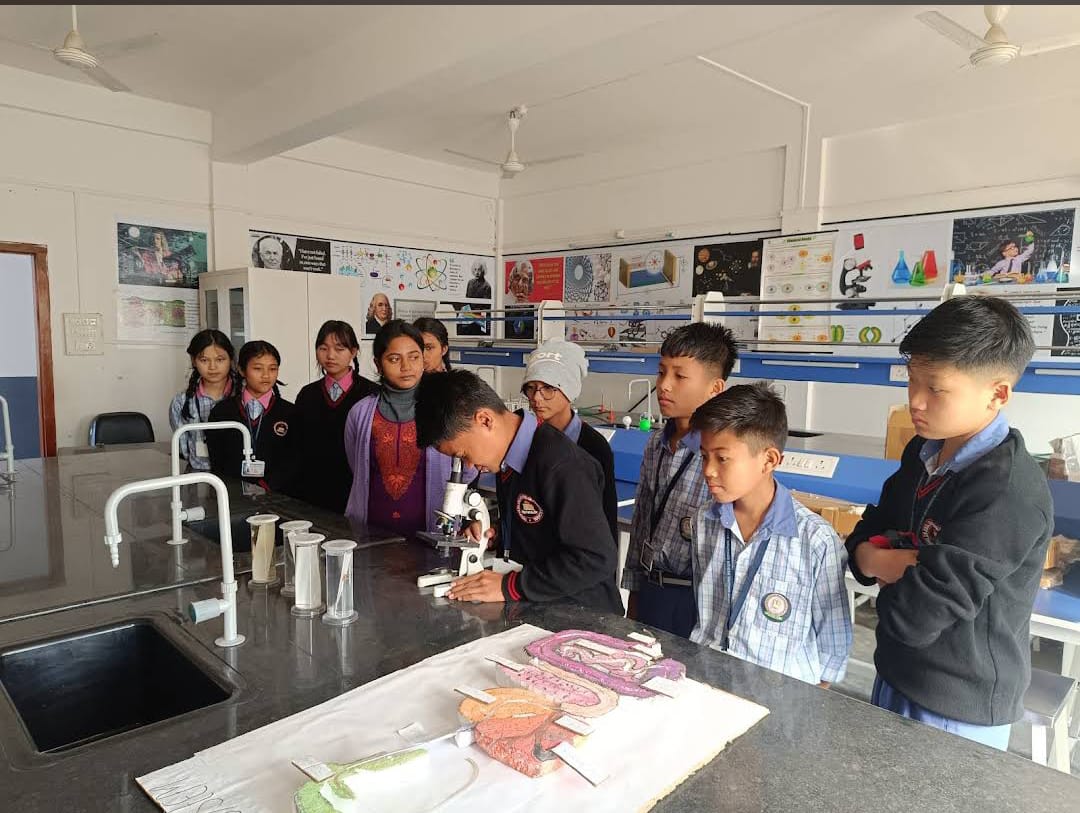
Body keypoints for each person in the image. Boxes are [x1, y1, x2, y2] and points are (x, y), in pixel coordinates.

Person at [846, 295, 1052, 750]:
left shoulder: (1007, 490)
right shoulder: (923, 453)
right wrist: (896, 562)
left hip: (957, 703)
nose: (915, 401)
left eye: (936, 389)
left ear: (998, 394)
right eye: (911, 380)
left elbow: (915, 616)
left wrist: (886, 560)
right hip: (896, 672)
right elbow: (861, 541)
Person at [414, 369, 622, 613]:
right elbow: (544, 523)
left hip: (585, 614)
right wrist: (500, 534)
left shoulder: (561, 464)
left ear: (485, 420)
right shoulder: (507, 459)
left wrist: (510, 586)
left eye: (464, 454)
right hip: (541, 605)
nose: (468, 466)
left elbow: (595, 558)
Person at [689, 383, 851, 687]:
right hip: (708, 681)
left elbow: (833, 642)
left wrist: (806, 702)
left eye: (722, 458)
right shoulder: (705, 521)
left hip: (782, 695)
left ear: (769, 460)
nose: (708, 470)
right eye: (704, 456)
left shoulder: (815, 540)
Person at [621, 322, 738, 637]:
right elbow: (642, 522)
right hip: (652, 591)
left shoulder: (725, 456)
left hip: (697, 602)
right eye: (661, 373)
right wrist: (634, 594)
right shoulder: (656, 443)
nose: (664, 386)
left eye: (679, 376)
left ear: (715, 388)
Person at [343, 320, 467, 538]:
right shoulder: (359, 413)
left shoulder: (444, 410)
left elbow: (467, 467)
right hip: (369, 536)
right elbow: (357, 467)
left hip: (432, 535)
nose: (406, 367)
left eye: (414, 357)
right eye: (394, 359)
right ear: (378, 364)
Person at [521, 340, 617, 543]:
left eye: (548, 388)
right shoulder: (528, 439)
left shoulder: (594, 447)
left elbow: (606, 520)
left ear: (569, 390)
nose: (536, 397)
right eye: (531, 387)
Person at [291, 320, 379, 513]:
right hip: (312, 491)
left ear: (353, 352)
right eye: (323, 348)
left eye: (339, 349)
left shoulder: (371, 394)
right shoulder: (307, 394)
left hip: (357, 490)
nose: (330, 356)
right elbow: (297, 446)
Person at [207, 340, 296, 492]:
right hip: (233, 494)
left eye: (273, 369)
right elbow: (217, 460)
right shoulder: (221, 412)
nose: (266, 375)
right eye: (257, 368)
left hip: (278, 496)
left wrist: (266, 487)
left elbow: (293, 459)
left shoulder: (290, 412)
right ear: (242, 370)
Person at [168, 329, 239, 471]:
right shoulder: (181, 402)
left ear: (231, 359)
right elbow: (184, 447)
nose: (212, 367)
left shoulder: (243, 396)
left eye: (220, 359)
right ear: (193, 361)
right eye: (204, 360)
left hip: (236, 473)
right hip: (199, 472)